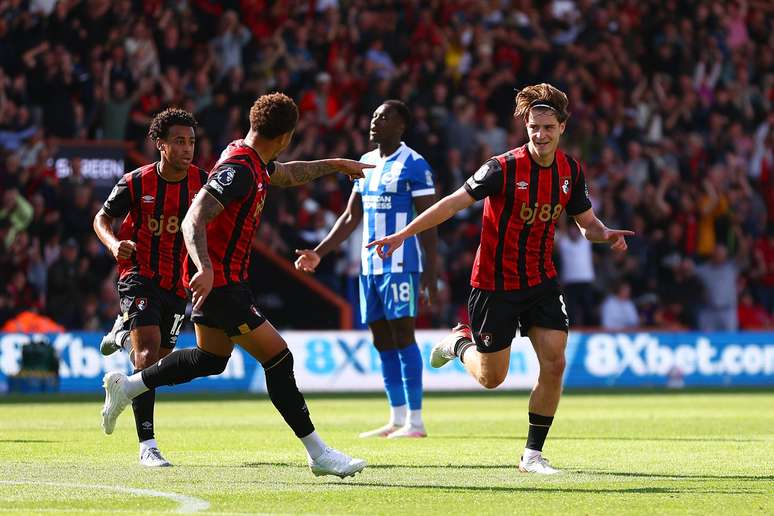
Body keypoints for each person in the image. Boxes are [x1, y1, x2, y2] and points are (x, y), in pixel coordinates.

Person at [100, 93, 370, 478]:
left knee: (211, 359)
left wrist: (334, 165)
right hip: (223, 286)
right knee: (279, 358)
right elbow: (194, 217)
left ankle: (128, 387)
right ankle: (318, 452)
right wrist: (206, 268)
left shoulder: (253, 159)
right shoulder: (240, 170)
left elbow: (290, 174)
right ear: (286, 135)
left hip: (224, 284)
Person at [367, 84, 633, 474]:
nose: (540, 135)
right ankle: (460, 343)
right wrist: (402, 235)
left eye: (547, 128)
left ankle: (532, 455)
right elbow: (452, 203)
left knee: (556, 363)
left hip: (541, 280)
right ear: (525, 127)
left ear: (562, 127)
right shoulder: (501, 168)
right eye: (533, 128)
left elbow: (586, 224)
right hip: (494, 283)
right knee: (493, 378)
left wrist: (605, 233)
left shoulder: (570, 172)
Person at [294, 100, 438, 439]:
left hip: (402, 265)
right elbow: (350, 217)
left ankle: (415, 421)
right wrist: (318, 253)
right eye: (374, 115)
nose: (376, 121)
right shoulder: (366, 164)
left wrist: (431, 273)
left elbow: (430, 223)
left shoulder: (415, 165)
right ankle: (396, 417)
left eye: (385, 116)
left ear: (401, 126)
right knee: (381, 339)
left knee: (403, 335)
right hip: (369, 266)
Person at [93, 108, 207, 467]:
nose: (187, 148)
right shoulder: (136, 182)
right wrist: (113, 244)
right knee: (146, 357)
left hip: (178, 282)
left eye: (191, 142)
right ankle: (148, 446)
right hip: (138, 274)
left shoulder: (202, 182)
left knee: (156, 363)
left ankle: (122, 335)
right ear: (160, 144)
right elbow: (101, 218)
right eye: (178, 141)